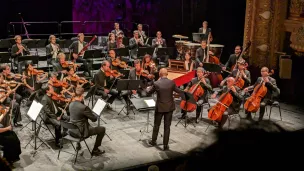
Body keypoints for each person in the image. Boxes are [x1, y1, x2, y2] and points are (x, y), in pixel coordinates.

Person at [147, 68, 183, 151]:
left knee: (156, 125)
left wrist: (148, 88)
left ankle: (153, 141)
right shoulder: (172, 82)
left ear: (159, 74)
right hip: (169, 107)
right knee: (167, 127)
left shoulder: (156, 83)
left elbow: (149, 92)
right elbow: (179, 91)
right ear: (167, 74)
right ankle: (165, 145)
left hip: (160, 108)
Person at [69, 87, 106, 156]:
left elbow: (77, 115)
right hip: (81, 132)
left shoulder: (70, 104)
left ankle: (78, 146)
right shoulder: (83, 107)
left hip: (71, 130)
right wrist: (94, 114)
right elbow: (94, 119)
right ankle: (95, 150)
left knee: (78, 122)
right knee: (102, 129)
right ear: (82, 95)